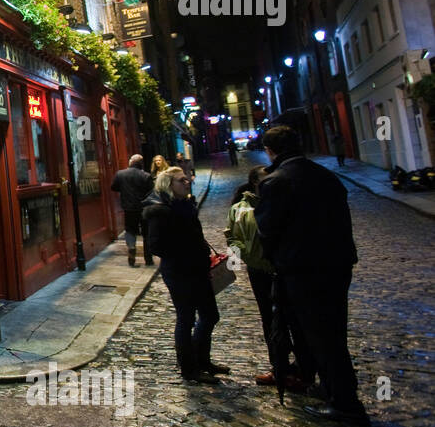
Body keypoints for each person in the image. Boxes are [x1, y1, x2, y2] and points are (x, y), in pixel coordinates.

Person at [255, 125, 367, 425]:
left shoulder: (276, 182)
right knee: (333, 331)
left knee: (321, 335)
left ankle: (344, 402)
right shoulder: (327, 176)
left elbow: (267, 230)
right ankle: (336, 390)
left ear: (270, 150)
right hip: (338, 265)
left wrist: (276, 260)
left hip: (303, 269)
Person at [225, 167, 311, 392]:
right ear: (254, 183)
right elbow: (232, 237)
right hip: (259, 271)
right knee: (269, 319)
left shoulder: (284, 202)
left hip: (287, 268)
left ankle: (305, 368)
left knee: (296, 318)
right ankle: (279, 367)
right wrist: (249, 256)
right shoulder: (240, 208)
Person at [143, 166, 226, 384]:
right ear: (169, 185)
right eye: (182, 180)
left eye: (187, 179)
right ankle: (190, 369)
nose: (187, 182)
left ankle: (202, 361)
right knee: (186, 318)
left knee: (210, 315)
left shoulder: (185, 204)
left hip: (198, 268)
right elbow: (155, 246)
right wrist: (186, 253)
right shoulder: (160, 211)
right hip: (180, 272)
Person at [110, 154, 155, 267]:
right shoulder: (146, 176)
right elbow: (152, 192)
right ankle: (148, 259)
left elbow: (114, 187)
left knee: (130, 230)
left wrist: (125, 190)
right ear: (141, 163)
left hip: (129, 208)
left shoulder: (120, 174)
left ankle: (131, 247)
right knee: (146, 233)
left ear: (131, 162)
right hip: (144, 208)